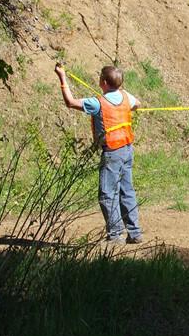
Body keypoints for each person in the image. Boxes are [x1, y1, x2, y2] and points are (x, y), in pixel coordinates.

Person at [55, 64, 144, 244]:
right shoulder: (127, 97)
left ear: (103, 82)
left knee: (107, 193)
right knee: (127, 190)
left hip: (112, 151)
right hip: (127, 149)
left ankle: (115, 234)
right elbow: (138, 104)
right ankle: (134, 233)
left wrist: (62, 77)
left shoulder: (98, 103)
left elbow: (70, 102)